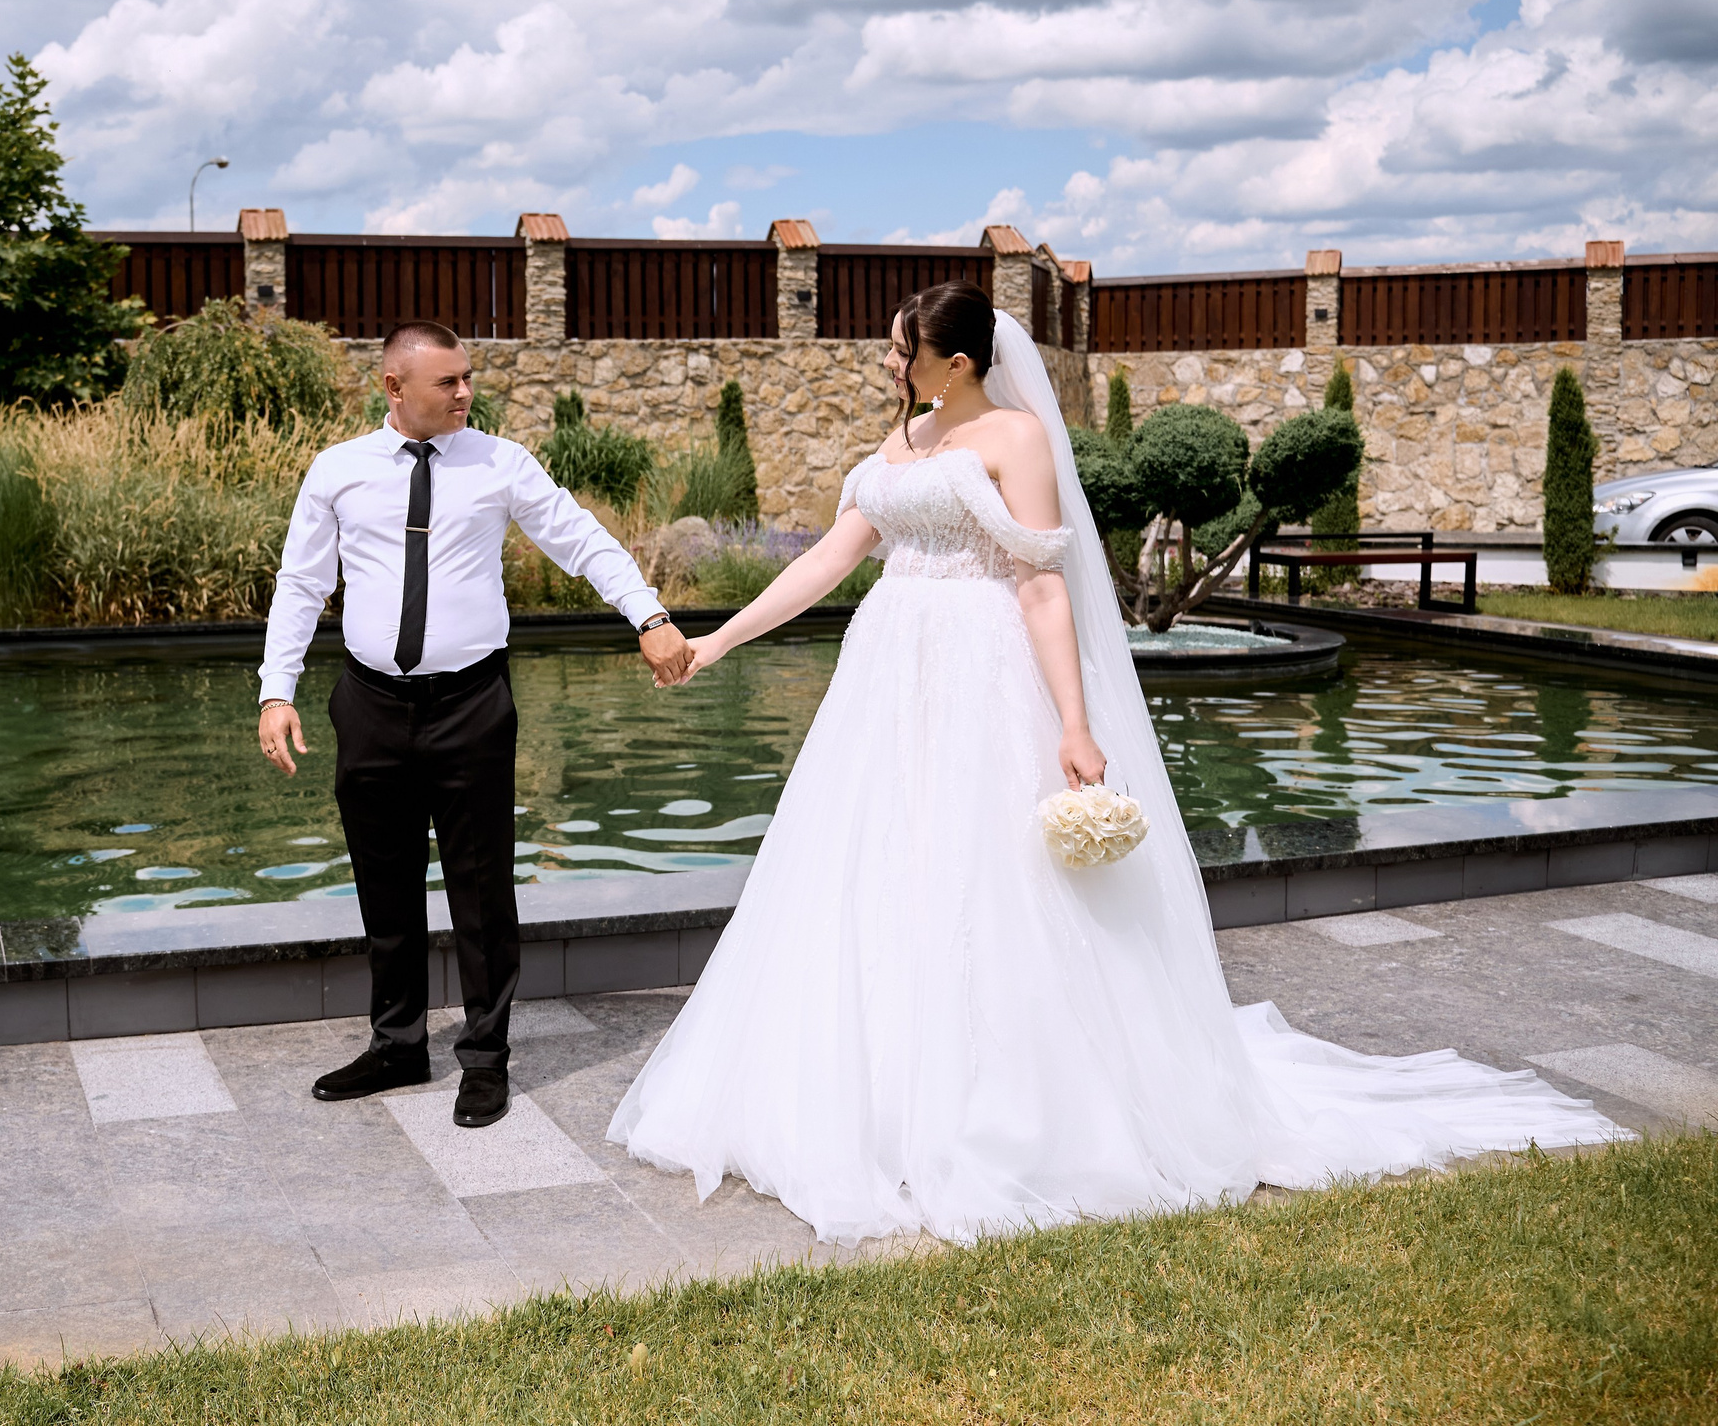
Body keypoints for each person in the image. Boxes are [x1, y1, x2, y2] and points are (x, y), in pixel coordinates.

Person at [608, 282, 1624, 1243]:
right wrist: (717, 640)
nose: (886, 362)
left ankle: (1006, 1100)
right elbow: (829, 557)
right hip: (887, 676)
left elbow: (1041, 587)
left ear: (955, 363)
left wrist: (1073, 721)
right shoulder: (904, 435)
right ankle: (870, 1087)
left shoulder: (1016, 437)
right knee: (877, 863)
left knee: (987, 877)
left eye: (900, 350)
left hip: (979, 669)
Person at [259, 320, 695, 1127]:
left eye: (468, 378)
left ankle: (485, 1058)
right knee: (384, 883)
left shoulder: (502, 462)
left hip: (470, 705)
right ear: (395, 387)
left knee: (482, 890)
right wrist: (275, 690)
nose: (466, 393)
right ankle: (397, 1045)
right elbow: (300, 584)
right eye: (448, 382)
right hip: (370, 704)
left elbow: (581, 539)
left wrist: (649, 613)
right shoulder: (338, 471)